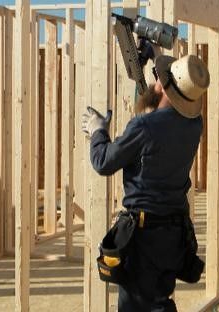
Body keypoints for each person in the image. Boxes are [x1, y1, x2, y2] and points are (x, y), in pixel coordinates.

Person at [81, 54, 210, 312]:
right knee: (160, 301)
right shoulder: (195, 124)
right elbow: (162, 127)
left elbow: (103, 162)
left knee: (139, 306)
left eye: (158, 79)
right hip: (173, 234)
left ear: (163, 86)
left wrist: (98, 132)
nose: (154, 82)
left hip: (144, 237)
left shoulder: (143, 126)